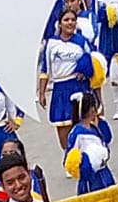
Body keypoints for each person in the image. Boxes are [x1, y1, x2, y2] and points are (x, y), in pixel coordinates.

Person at [39, 9, 100, 157]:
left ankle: (89, 158)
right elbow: (45, 69)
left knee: (85, 127)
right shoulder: (51, 44)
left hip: (79, 87)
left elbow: (95, 61)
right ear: (59, 24)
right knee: (64, 133)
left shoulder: (82, 41)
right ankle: (70, 159)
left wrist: (86, 69)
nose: (70, 23)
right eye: (66, 20)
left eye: (73, 20)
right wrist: (41, 92)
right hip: (60, 90)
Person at [63, 91, 115, 197]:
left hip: (104, 172)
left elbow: (107, 139)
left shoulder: (95, 126)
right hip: (90, 178)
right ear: (91, 109)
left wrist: (99, 124)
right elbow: (69, 158)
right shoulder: (77, 133)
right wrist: (84, 166)